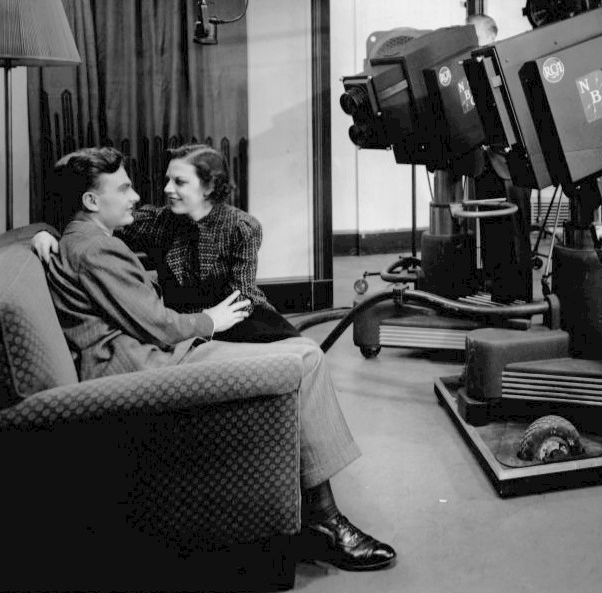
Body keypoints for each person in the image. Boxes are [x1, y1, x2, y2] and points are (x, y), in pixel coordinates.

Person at [42, 146, 396, 571]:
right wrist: (209, 320)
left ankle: (316, 512)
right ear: (92, 201)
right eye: (124, 188)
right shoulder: (95, 247)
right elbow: (158, 325)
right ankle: (325, 520)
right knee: (305, 360)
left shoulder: (89, 237)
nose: (138, 196)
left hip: (156, 349)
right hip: (144, 364)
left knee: (305, 352)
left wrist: (50, 231)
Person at [33, 144, 296, 343]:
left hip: (238, 317)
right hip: (184, 326)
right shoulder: (156, 222)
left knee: (295, 347)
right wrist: (48, 234)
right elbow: (90, 223)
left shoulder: (243, 227)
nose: (167, 189)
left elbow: (244, 298)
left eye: (179, 182)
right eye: (168, 179)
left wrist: (211, 324)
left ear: (209, 187)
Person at [467, 13, 534, 302]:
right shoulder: (472, 69)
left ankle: (519, 300)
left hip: (511, 165)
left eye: (474, 36)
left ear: (491, 37)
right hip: (485, 165)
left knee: (515, 234)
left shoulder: (509, 66)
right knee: (492, 232)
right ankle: (499, 294)